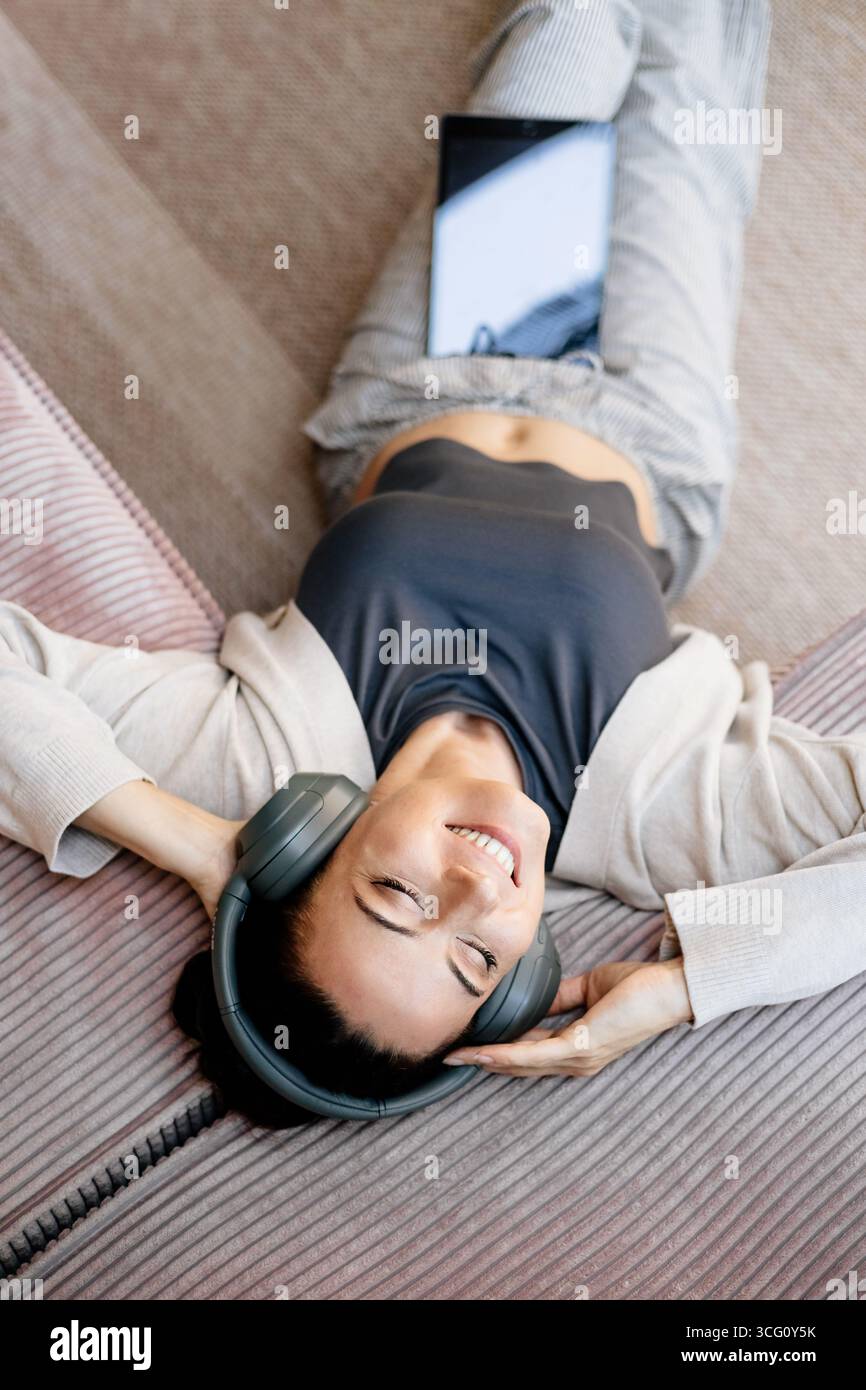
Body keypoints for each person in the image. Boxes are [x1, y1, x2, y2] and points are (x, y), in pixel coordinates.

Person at [5, 0, 866, 1131]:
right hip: (644, 424)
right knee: (689, 89)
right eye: (474, 961)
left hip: (441, 373)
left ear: (312, 841)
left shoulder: (259, 758)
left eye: (395, 893)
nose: (475, 890)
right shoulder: (657, 818)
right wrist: (690, 981)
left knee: (571, 28)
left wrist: (202, 847)